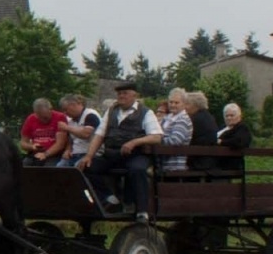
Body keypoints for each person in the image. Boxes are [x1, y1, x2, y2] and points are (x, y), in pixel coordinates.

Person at [77, 81, 162, 217]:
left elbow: (156, 137)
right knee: (85, 167)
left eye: (125, 93)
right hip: (112, 154)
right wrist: (89, 156)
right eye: (119, 94)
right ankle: (109, 198)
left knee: (138, 169)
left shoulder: (146, 112)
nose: (121, 96)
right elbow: (99, 135)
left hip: (135, 155)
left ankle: (142, 211)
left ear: (134, 95)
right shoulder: (111, 111)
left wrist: (134, 142)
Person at [55, 94, 102, 168]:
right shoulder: (71, 120)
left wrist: (67, 127)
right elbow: (71, 140)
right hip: (74, 153)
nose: (65, 113)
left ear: (75, 105)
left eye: (66, 109)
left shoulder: (90, 115)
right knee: (59, 167)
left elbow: (85, 134)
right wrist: (68, 150)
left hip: (90, 153)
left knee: (77, 168)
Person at [19, 98, 68, 166]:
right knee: (23, 166)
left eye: (45, 117)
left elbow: (60, 144)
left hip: (54, 154)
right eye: (40, 117)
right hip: (35, 154)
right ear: (35, 113)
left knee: (48, 168)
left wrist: (45, 154)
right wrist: (31, 146)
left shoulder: (60, 117)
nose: (43, 120)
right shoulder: (31, 119)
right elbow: (23, 143)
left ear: (50, 109)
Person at [159, 88, 192, 171]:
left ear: (184, 104)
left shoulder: (183, 119)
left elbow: (175, 140)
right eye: (171, 102)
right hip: (162, 163)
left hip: (174, 165)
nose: (173, 105)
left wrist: (156, 140)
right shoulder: (167, 118)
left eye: (176, 103)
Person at [185, 91, 220, 171]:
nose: (185, 107)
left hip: (199, 162)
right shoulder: (208, 117)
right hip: (209, 160)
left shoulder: (196, 119)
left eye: (187, 104)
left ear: (196, 105)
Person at [218, 103, 253, 172]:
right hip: (218, 161)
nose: (229, 118)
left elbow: (239, 141)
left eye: (232, 115)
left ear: (239, 116)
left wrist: (221, 142)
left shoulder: (242, 128)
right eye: (226, 116)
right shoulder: (222, 127)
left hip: (231, 164)